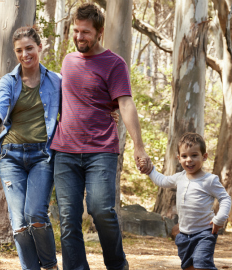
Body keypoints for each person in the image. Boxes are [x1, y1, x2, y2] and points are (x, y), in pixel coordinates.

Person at [50, 3, 152, 270]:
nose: (79, 37)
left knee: (101, 211)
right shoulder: (68, 61)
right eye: (76, 31)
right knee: (69, 219)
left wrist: (139, 147)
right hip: (65, 151)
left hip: (101, 151)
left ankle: (117, 266)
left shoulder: (114, 64)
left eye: (85, 32)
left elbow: (126, 104)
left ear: (99, 33)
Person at [0, 26, 61, 270]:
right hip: (11, 156)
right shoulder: (10, 80)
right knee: (18, 222)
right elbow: (0, 106)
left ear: (39, 47)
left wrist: (107, 111)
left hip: (42, 156)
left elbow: (74, 110)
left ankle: (49, 266)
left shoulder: (56, 81)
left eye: (29, 48)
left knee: (36, 216)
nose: (25, 54)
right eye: (19, 50)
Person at [141, 133, 232, 270]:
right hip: (184, 235)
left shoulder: (210, 180)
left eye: (194, 155)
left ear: (204, 157)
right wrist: (150, 170)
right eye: (184, 156)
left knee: (202, 264)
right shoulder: (180, 177)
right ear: (179, 158)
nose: (189, 160)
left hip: (204, 233)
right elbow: (162, 180)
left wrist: (220, 218)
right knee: (189, 266)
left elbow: (225, 198)